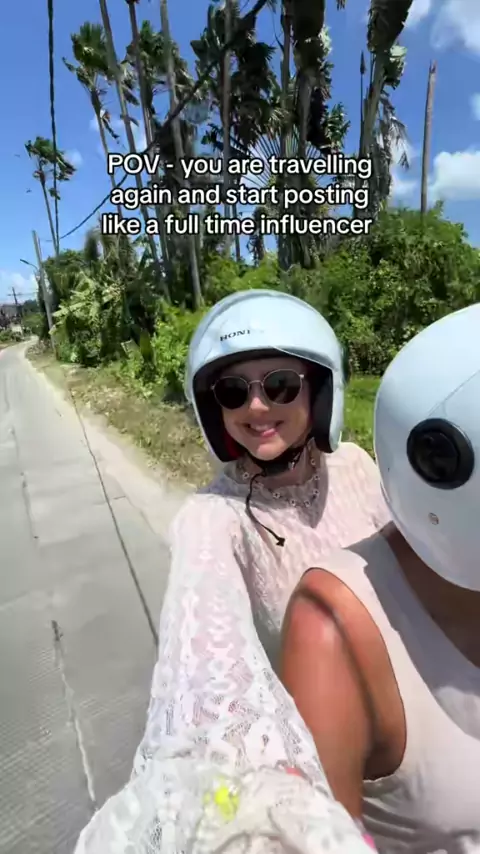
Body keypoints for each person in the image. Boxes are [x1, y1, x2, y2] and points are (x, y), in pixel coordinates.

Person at [280, 302, 480, 853]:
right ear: (438, 461)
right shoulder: (332, 626)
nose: (262, 406)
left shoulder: (355, 467)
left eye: (284, 387)